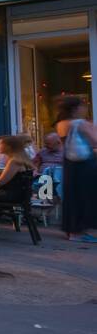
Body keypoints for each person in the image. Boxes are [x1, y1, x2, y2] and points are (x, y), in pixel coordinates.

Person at [55, 96, 97, 242]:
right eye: (83, 106)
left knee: (72, 195)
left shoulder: (61, 124)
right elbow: (95, 141)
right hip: (85, 163)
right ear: (75, 109)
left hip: (69, 163)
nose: (85, 109)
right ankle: (81, 231)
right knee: (87, 195)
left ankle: (72, 230)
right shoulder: (82, 124)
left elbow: (64, 143)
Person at [33, 131, 65, 203]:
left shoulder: (67, 152)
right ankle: (47, 201)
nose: (46, 146)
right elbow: (35, 163)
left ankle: (49, 200)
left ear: (58, 143)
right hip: (42, 177)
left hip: (59, 179)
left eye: (49, 144)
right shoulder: (43, 151)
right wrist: (35, 170)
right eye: (45, 143)